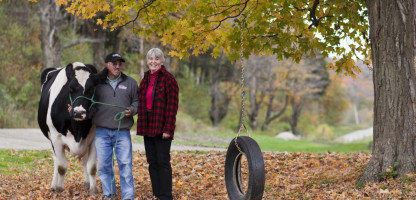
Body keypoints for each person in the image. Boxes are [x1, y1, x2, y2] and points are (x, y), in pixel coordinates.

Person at [93, 52, 139, 200]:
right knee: (104, 166)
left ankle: (128, 197)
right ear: (107, 65)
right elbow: (86, 100)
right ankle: (109, 195)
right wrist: (72, 109)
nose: (117, 66)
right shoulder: (97, 83)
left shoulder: (130, 82)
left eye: (120, 63)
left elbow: (137, 102)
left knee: (125, 165)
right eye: (114, 63)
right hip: (101, 131)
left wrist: (132, 110)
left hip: (122, 131)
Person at [136, 48, 179, 200]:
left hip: (161, 126)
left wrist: (168, 128)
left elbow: (172, 106)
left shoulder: (169, 79)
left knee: (163, 161)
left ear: (161, 61)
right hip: (147, 125)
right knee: (152, 161)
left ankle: (166, 196)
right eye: (150, 58)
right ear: (147, 61)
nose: (153, 61)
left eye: (156, 59)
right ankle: (156, 194)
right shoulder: (145, 79)